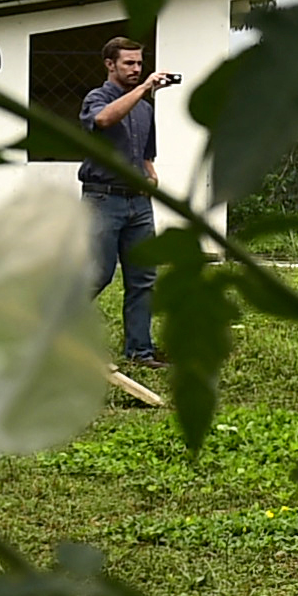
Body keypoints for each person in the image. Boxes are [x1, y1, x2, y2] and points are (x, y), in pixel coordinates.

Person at [81, 35, 175, 369]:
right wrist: (143, 88)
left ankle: (140, 351)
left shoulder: (145, 109)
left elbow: (145, 152)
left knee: (143, 278)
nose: (137, 69)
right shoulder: (98, 97)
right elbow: (104, 121)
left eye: (140, 63)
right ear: (110, 65)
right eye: (129, 63)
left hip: (138, 203)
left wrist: (150, 175)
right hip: (103, 198)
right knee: (98, 274)